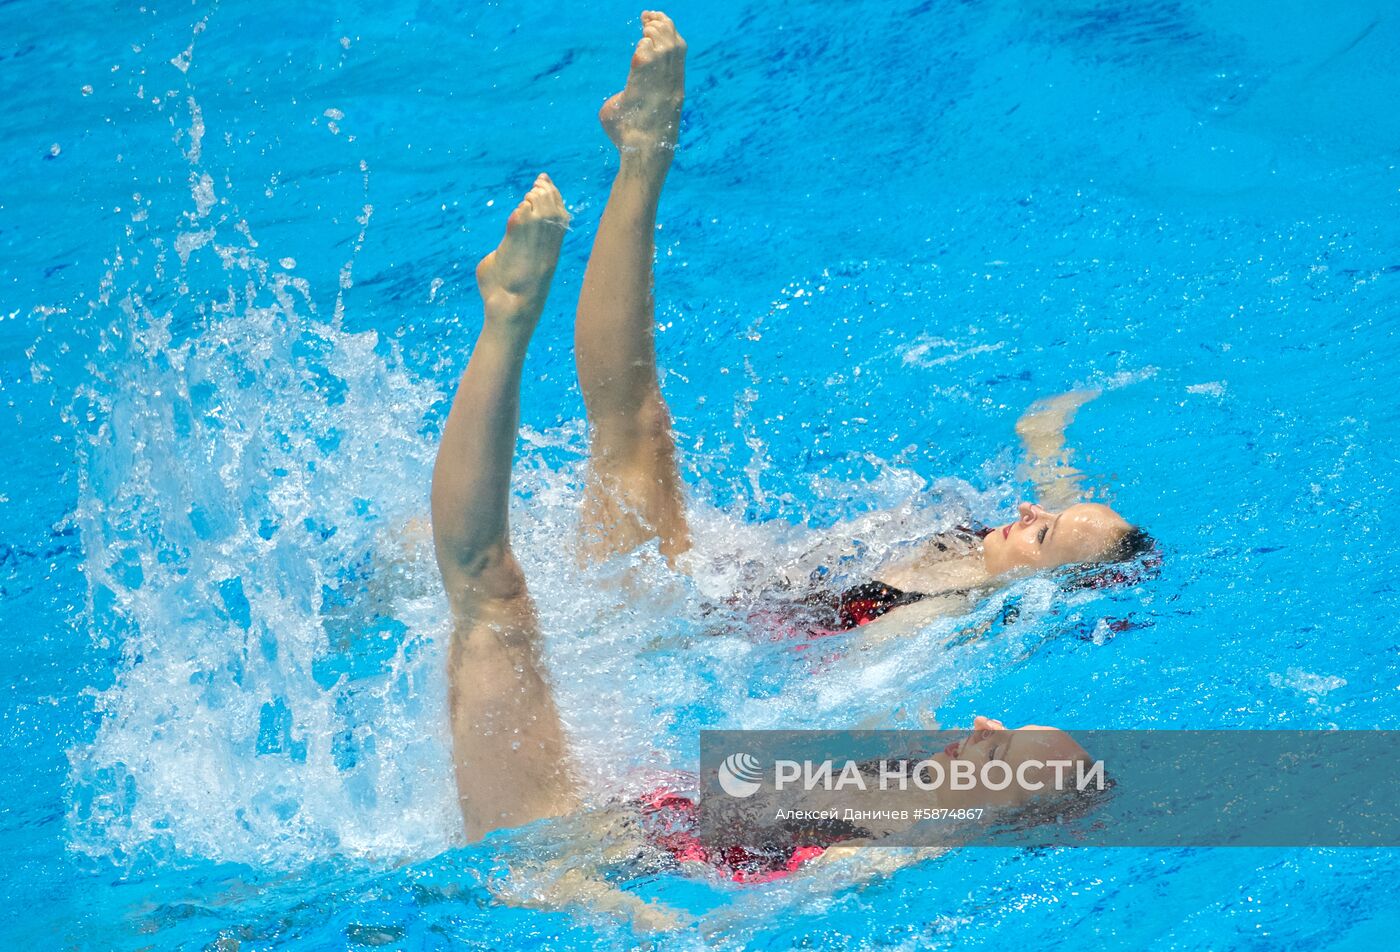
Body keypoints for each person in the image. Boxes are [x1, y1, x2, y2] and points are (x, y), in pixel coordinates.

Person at [429, 11, 1143, 847]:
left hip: (681, 641)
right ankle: (629, 166)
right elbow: (1064, 512)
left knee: (608, 460)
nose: (1026, 513)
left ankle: (608, 199)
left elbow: (817, 711)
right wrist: (1048, 432)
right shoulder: (1000, 564)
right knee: (569, 496)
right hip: (705, 648)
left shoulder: (932, 634)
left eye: (1044, 530)